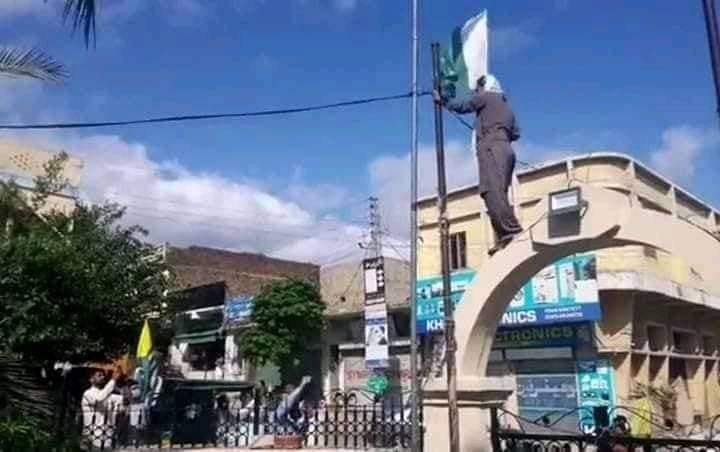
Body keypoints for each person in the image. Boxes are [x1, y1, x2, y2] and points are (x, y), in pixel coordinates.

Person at [434, 74, 523, 255]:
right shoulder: (506, 107)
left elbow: (464, 106)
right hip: (504, 150)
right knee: (497, 193)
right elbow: (516, 133)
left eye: (478, 88)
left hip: (492, 149)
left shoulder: (488, 97)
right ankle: (504, 235)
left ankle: (512, 231)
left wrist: (443, 100)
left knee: (492, 192)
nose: (477, 91)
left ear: (487, 86)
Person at [81, 367, 124, 450]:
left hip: (107, 436)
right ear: (91, 379)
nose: (103, 377)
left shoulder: (108, 395)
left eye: (103, 375)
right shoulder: (88, 393)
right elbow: (99, 398)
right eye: (99, 375)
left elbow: (123, 400)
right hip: (93, 437)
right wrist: (113, 380)